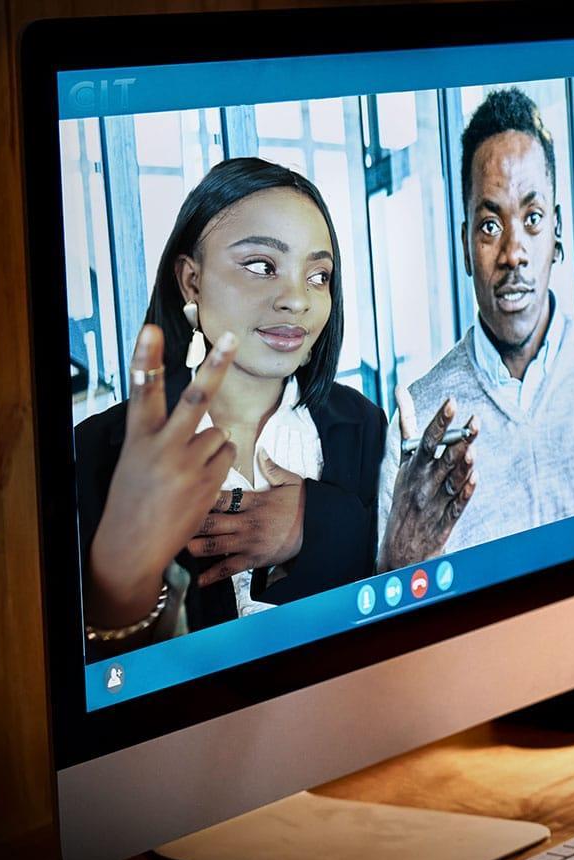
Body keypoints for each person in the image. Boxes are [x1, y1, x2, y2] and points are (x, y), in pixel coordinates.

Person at [78, 158, 387, 655]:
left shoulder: (364, 426)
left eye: (318, 275)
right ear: (191, 282)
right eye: (263, 266)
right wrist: (119, 577)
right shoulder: (95, 452)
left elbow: (397, 597)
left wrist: (323, 526)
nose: (296, 300)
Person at [377, 87, 574, 569]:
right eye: (489, 225)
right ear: (464, 244)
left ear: (557, 231)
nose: (513, 253)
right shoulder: (419, 417)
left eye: (532, 218)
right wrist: (398, 560)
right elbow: (390, 603)